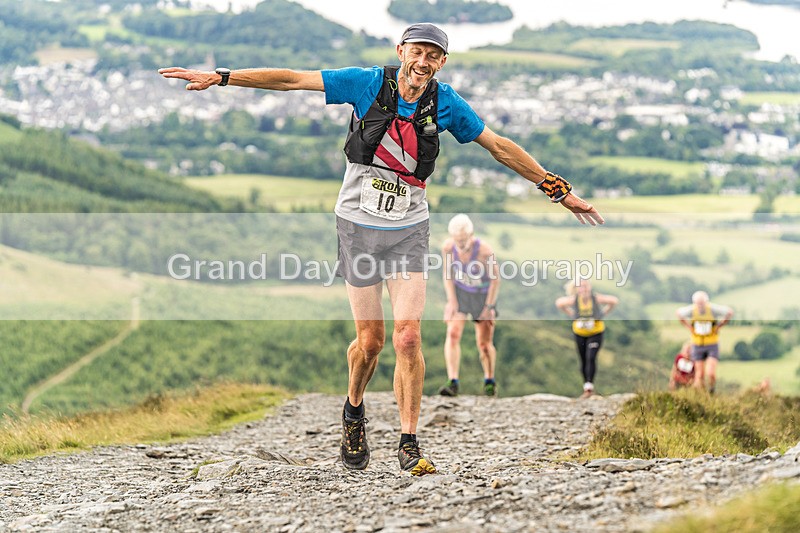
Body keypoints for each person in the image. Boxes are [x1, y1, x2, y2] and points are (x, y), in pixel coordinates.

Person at [159, 23, 603, 476]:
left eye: (433, 55)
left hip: (409, 227)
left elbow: (500, 148)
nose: (423, 62)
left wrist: (557, 189)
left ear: (442, 62)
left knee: (408, 336)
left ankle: (409, 441)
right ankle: (354, 411)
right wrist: (224, 76)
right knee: (370, 343)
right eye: (417, 51)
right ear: (401, 51)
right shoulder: (368, 82)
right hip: (357, 224)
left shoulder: (445, 102)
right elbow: (292, 79)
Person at [439, 214, 500, 397]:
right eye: (457, 240)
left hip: (482, 295)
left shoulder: (485, 251)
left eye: (464, 240)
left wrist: (489, 307)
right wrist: (452, 301)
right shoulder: (448, 248)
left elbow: (495, 280)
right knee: (453, 333)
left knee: (483, 343)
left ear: (471, 234)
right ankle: (453, 381)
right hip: (461, 292)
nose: (461, 243)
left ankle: (489, 380)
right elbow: (447, 274)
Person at [555, 279, 618, 398]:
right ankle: (586, 387)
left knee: (591, 357)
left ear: (590, 287)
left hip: (596, 333)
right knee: (583, 359)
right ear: (577, 289)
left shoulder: (596, 298)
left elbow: (614, 301)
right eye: (581, 287)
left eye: (585, 286)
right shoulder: (574, 300)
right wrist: (572, 314)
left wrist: (602, 314)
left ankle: (589, 387)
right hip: (579, 333)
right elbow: (559, 303)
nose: (584, 289)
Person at [676, 291, 733, 394]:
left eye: (702, 303)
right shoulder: (692, 310)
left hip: (712, 344)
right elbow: (679, 313)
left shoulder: (713, 309)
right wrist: (689, 327)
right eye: (698, 304)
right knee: (699, 375)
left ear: (706, 302)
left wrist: (720, 325)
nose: (700, 306)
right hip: (697, 345)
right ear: (694, 303)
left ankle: (711, 390)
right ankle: (700, 396)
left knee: (710, 373)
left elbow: (729, 312)